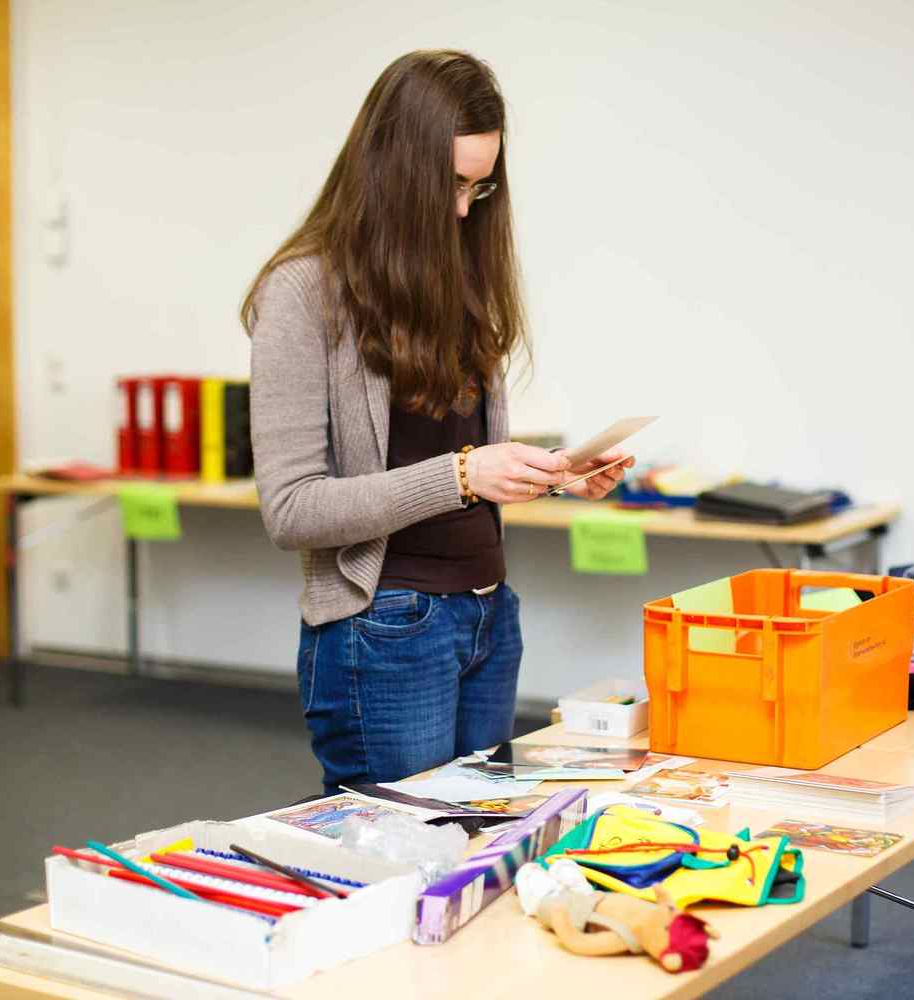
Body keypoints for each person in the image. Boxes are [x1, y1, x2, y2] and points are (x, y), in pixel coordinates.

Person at [241, 50, 634, 794]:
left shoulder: (457, 275)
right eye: (451, 185)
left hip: (488, 611)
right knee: (399, 852)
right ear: (392, 167)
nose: (463, 210)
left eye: (479, 188)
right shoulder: (302, 290)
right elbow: (291, 510)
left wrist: (549, 475)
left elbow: (455, 462)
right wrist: (463, 474)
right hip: (385, 627)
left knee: (477, 849)